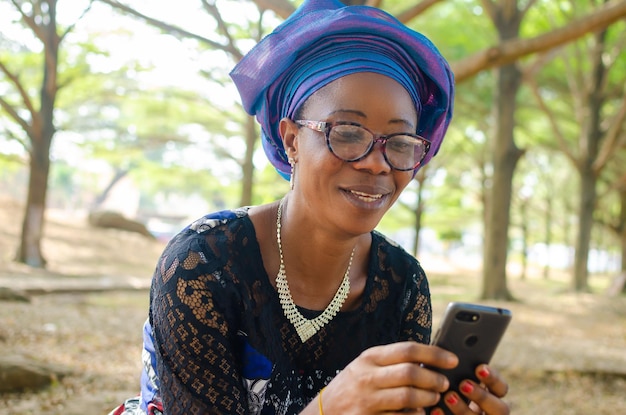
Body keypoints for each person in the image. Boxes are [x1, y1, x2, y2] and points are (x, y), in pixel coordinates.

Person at [111, 0, 510, 414]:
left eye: (400, 143)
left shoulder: (402, 286)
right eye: (349, 132)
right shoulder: (204, 263)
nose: (377, 162)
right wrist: (329, 407)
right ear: (291, 140)